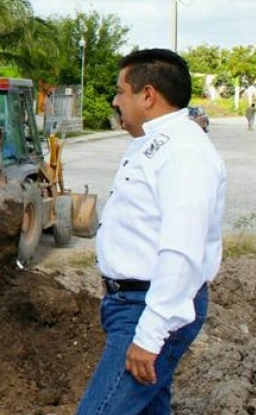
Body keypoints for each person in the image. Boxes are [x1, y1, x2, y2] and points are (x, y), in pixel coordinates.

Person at [76, 49, 226, 415]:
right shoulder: (153, 144)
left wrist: (149, 335)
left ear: (147, 95)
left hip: (150, 308)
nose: (115, 101)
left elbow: (181, 251)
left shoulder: (184, 153)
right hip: (130, 304)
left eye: (120, 91)